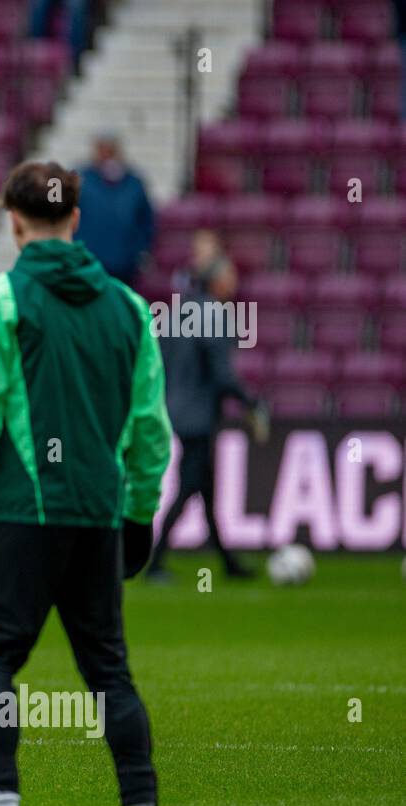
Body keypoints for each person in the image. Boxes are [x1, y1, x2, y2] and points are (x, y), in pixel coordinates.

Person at [0, 161, 171, 806]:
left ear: (13, 221)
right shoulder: (130, 309)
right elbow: (150, 431)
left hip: (20, 514)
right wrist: (137, 516)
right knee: (109, 671)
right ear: (76, 219)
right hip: (98, 517)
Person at [147, 230, 267, 581]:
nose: (234, 282)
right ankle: (154, 563)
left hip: (176, 408)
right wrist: (251, 403)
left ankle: (228, 563)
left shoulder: (178, 310)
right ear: (216, 280)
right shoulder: (213, 314)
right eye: (229, 275)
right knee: (188, 487)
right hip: (199, 414)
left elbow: (161, 359)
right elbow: (222, 375)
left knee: (205, 487)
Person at [74, 132, 154, 287]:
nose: (106, 156)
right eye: (102, 150)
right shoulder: (80, 181)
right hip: (87, 269)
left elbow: (146, 221)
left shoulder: (133, 183)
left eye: (110, 150)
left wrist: (137, 251)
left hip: (124, 270)